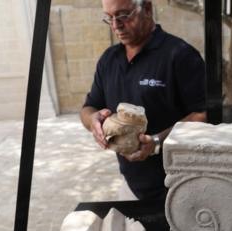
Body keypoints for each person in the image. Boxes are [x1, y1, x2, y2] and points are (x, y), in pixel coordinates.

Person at [80, 0, 207, 201]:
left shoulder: (181, 55)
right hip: (131, 185)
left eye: (123, 15)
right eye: (109, 18)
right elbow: (89, 107)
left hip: (180, 187)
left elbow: (204, 115)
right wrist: (93, 121)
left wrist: (157, 142)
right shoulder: (109, 59)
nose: (116, 25)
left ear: (146, 9)